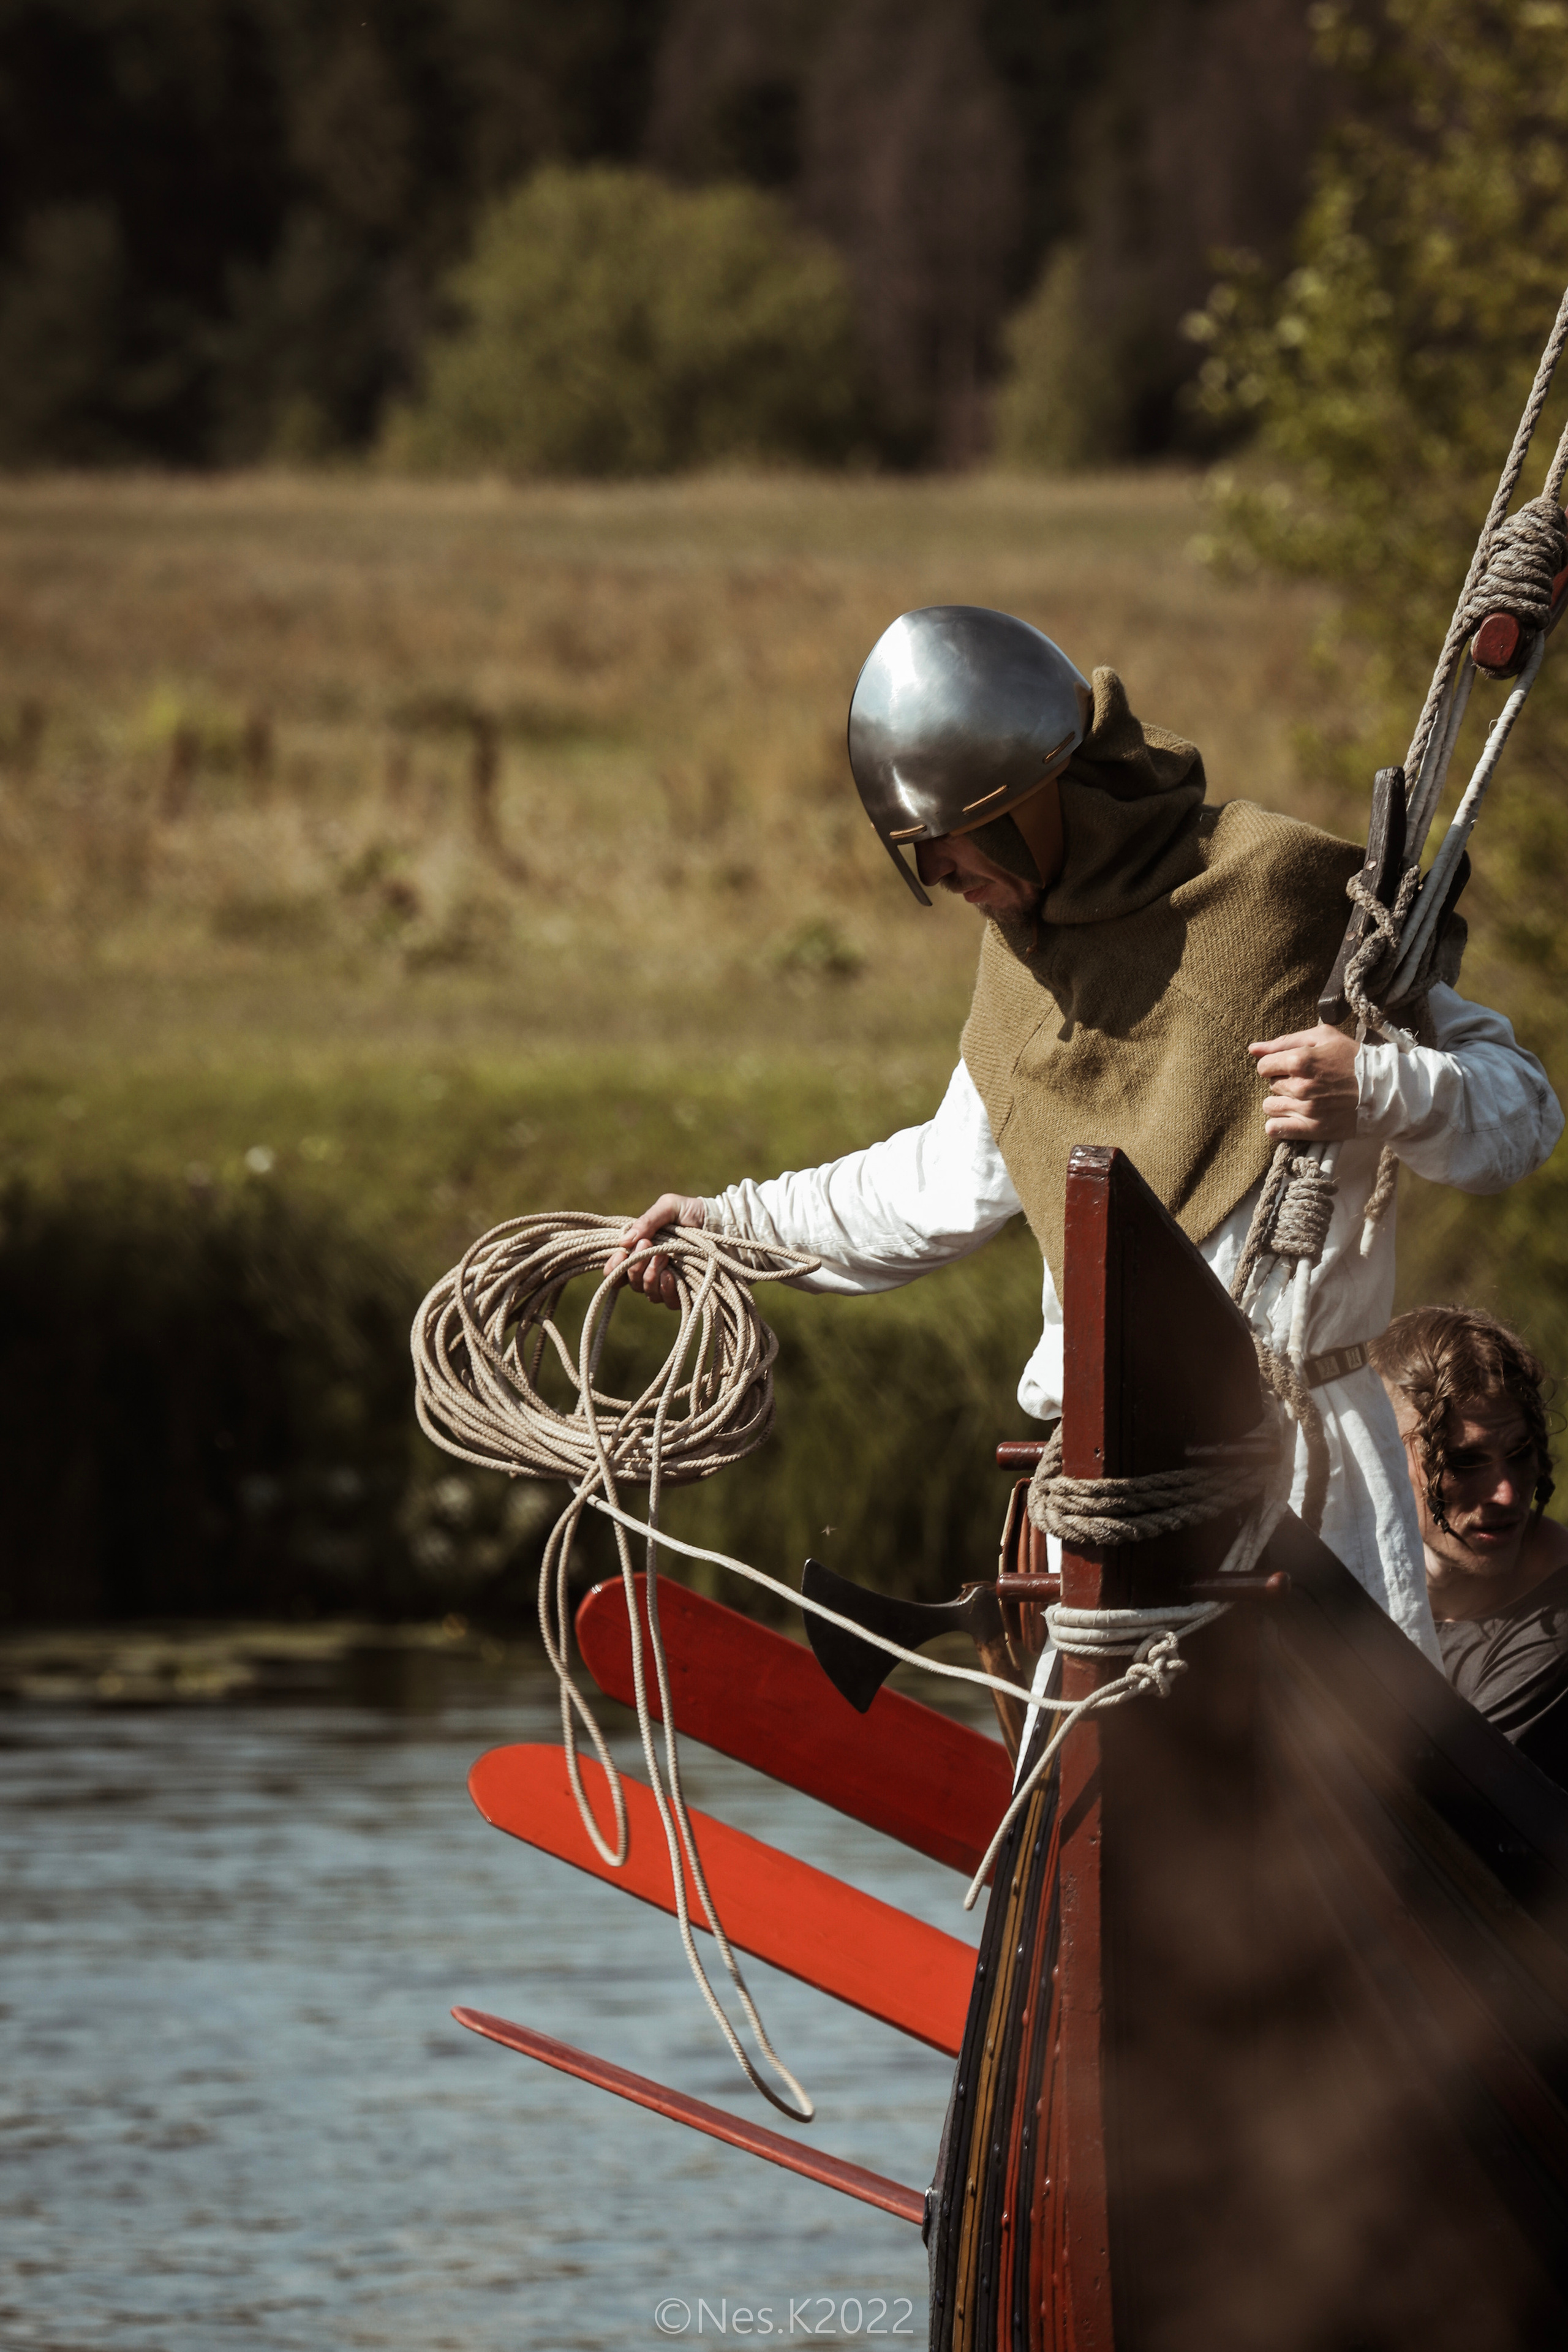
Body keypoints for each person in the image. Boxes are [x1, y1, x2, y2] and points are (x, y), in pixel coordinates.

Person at [609, 606, 1564, 1665]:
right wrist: (722, 1226)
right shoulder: (1027, 966)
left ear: (1028, 808)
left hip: (1312, 1501)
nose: (939, 883)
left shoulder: (1294, 901)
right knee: (1083, 1816)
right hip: (1097, 1513)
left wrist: (1377, 1086)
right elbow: (934, 1190)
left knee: (1324, 1816)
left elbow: (1519, 1119)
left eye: (946, 849)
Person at [1373, 1306, 1568, 1787]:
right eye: (1463, 1462)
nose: (1505, 1493)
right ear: (1382, 1460)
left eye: (1520, 1453)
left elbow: (1428, 1807)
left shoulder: (1556, 1624)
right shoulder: (1349, 1580)